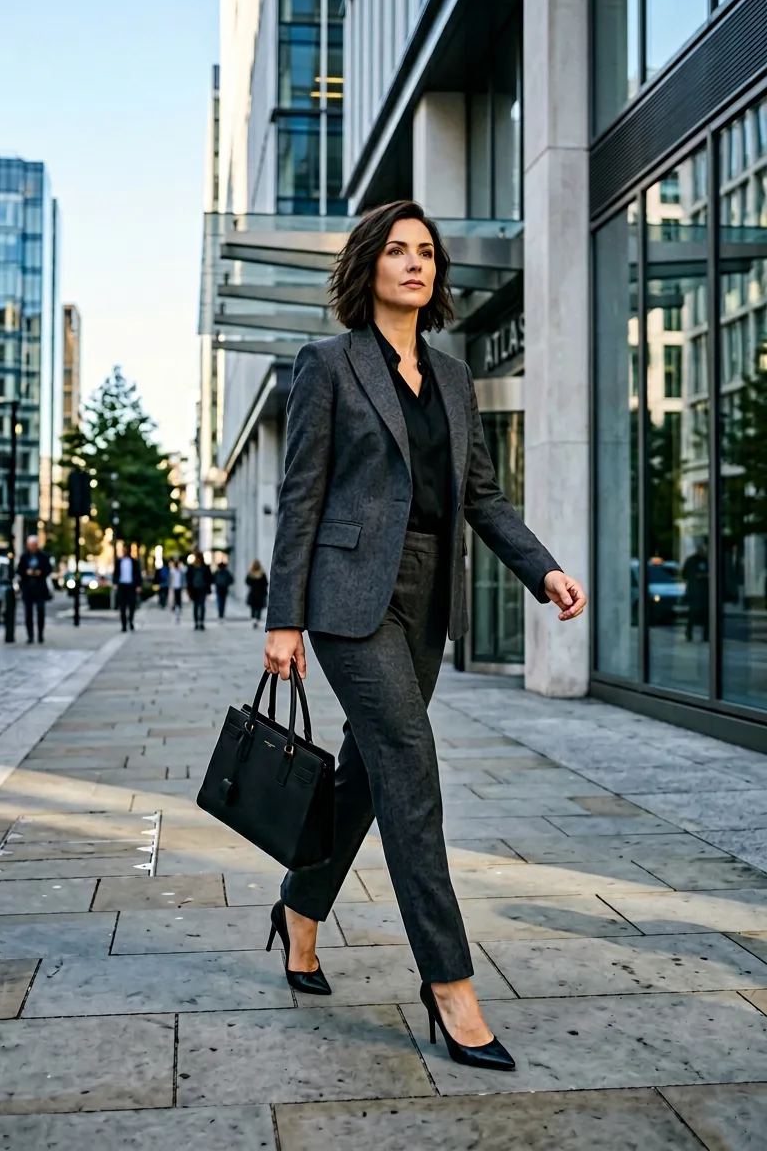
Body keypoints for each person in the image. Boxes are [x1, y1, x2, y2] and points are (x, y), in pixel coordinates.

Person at [263, 201, 586, 1071]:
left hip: (426, 595)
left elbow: (481, 496)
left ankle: (299, 907)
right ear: (368, 265)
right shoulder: (327, 364)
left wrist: (543, 569)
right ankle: (450, 987)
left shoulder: (453, 376)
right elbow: (300, 496)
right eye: (399, 250)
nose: (416, 263)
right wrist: (284, 618)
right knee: (411, 772)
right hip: (347, 600)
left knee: (366, 776)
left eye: (428, 253)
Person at [17, 535, 52, 644]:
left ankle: (40, 635)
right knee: (28, 613)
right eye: (30, 545)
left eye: (33, 545)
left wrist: (40, 572)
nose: (32, 547)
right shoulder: (24, 556)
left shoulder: (43, 556)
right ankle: (30, 636)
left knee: (40, 611)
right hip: (28, 588)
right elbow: (19, 570)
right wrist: (26, 572)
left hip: (40, 587)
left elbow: (48, 569)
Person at [683, 540, 709, 642]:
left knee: (705, 614)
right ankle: (690, 632)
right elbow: (686, 574)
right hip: (695, 592)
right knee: (694, 613)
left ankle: (705, 635)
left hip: (703, 592)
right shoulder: (692, 561)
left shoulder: (706, 560)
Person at [113, 540, 142, 632]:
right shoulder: (118, 562)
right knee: (122, 606)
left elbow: (138, 574)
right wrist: (115, 583)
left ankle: (131, 621)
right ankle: (124, 625)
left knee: (132, 605)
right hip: (122, 585)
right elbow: (115, 573)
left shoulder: (134, 562)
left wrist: (138, 585)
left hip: (131, 586)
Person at [187, 551, 213, 630]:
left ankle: (201, 622)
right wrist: (188, 589)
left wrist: (208, 589)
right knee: (196, 606)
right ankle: (196, 622)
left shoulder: (205, 567)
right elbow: (188, 579)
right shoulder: (192, 568)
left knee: (201, 605)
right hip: (194, 589)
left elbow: (209, 578)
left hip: (202, 589)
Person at [246, 559, 268, 629]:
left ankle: (253, 619)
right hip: (261, 593)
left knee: (253, 607)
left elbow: (247, 582)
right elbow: (266, 583)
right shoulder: (262, 574)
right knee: (259, 607)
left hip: (252, 593)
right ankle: (257, 619)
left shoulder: (250, 573)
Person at [169, 556, 186, 622]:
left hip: (179, 587)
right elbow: (170, 579)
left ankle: (179, 607)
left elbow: (183, 578)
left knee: (179, 598)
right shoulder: (172, 571)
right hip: (173, 587)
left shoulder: (181, 571)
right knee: (174, 599)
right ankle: (175, 607)